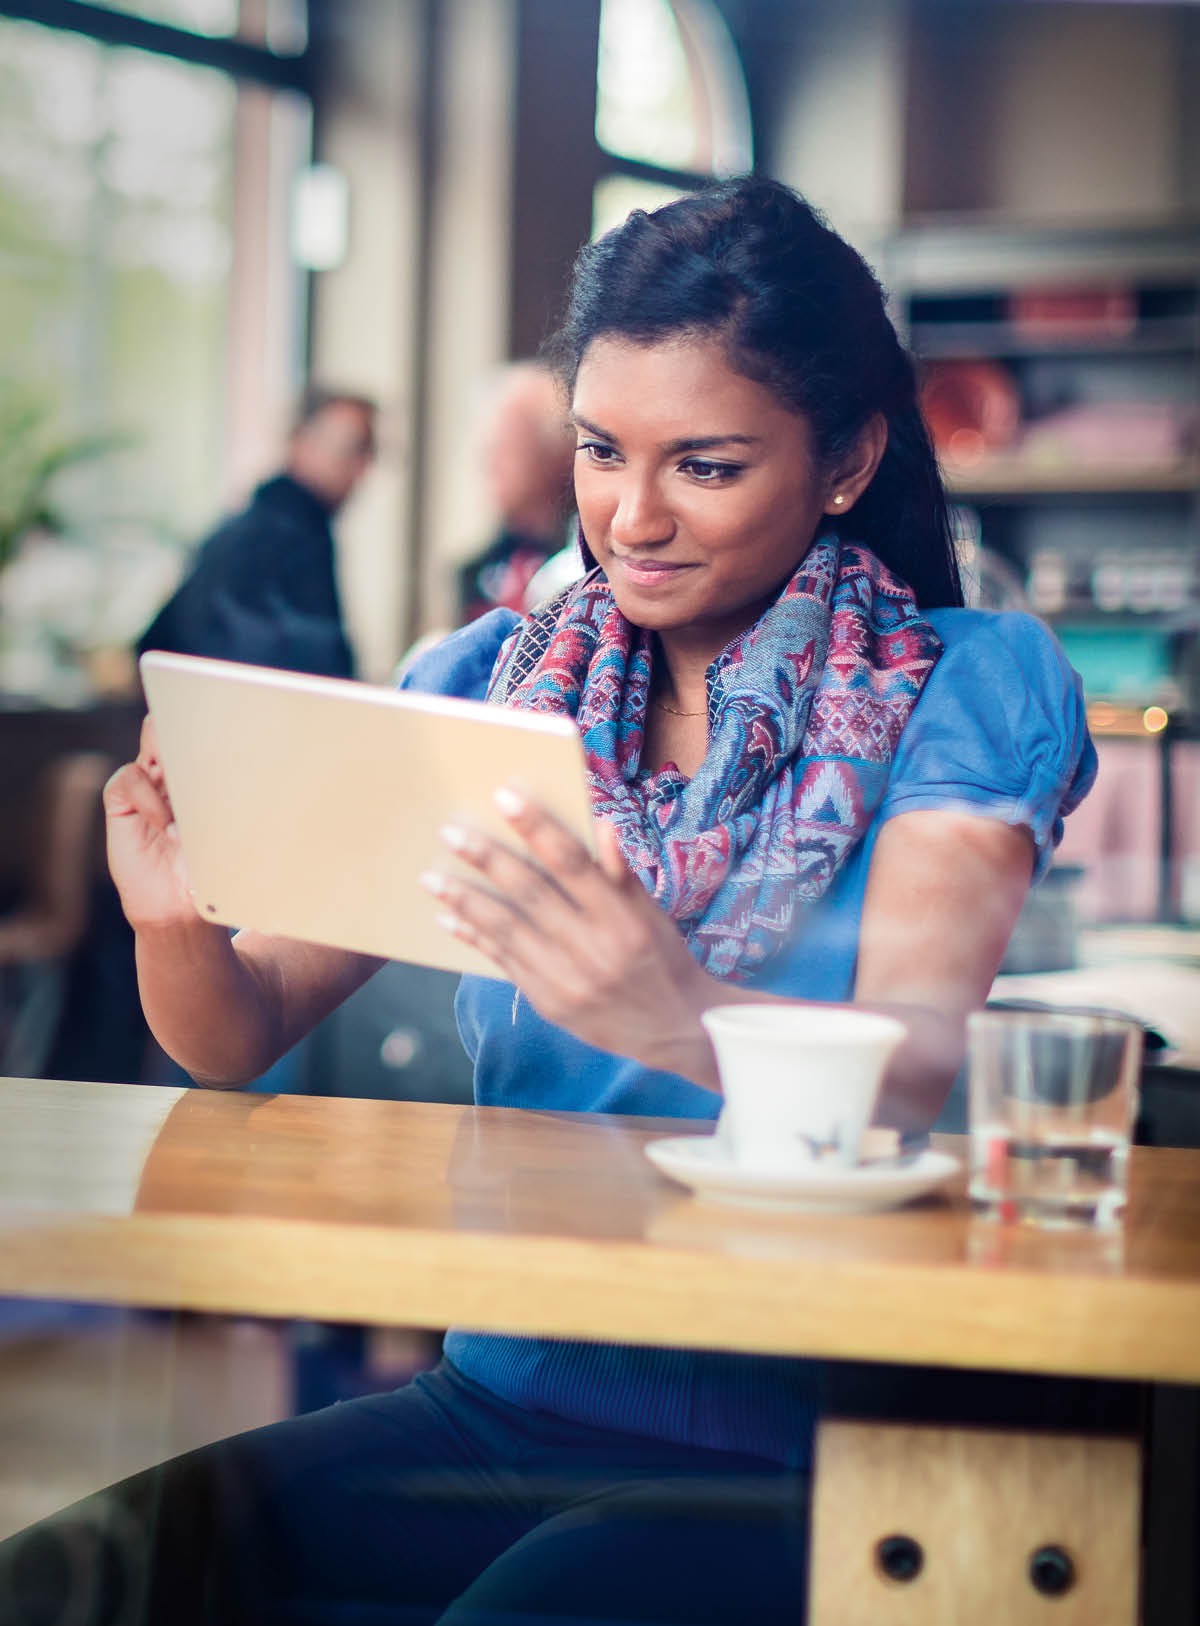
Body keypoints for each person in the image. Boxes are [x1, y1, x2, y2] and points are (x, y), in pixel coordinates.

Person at [1, 177, 1095, 1625]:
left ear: (845, 461)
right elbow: (238, 1026)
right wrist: (169, 918)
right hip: (500, 1392)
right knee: (71, 1584)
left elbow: (918, 1062)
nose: (630, 517)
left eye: (704, 465)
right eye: (600, 451)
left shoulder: (966, 684)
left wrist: (678, 1009)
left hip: (803, 1426)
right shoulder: (480, 685)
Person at [136, 388, 378, 678]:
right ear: (300, 443)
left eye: (369, 452)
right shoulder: (292, 534)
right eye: (353, 449)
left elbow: (156, 643)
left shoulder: (246, 521)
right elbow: (322, 669)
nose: (362, 469)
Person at [456, 360, 577, 622]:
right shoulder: (475, 573)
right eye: (487, 451)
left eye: (506, 451)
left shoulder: (579, 564)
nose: (490, 466)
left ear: (553, 456)